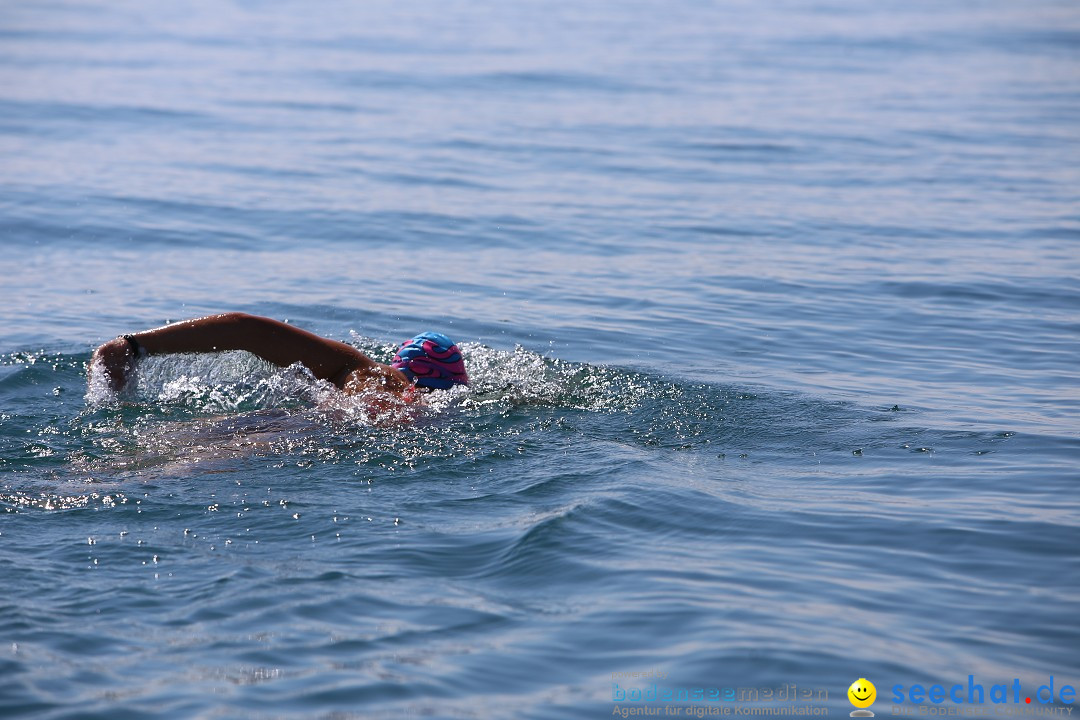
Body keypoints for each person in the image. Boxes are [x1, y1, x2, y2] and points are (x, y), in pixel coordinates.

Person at [89, 312, 469, 399]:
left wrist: (136, 346)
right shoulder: (381, 381)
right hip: (305, 441)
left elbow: (246, 329)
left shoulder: (347, 367)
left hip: (280, 426)